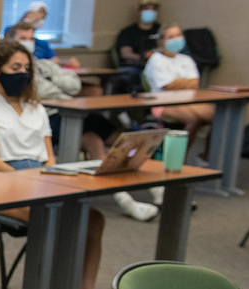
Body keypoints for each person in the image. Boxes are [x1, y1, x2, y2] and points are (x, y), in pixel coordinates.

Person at [0, 40, 111, 289]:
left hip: (38, 180)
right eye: (15, 68)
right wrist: (27, 181)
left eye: (27, 69)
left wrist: (54, 180)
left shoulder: (35, 107)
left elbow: (49, 157)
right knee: (53, 219)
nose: (23, 74)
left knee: (92, 218)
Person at [8, 23, 157, 221]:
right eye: (22, 38)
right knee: (94, 141)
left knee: (121, 138)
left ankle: (157, 189)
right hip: (49, 117)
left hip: (75, 113)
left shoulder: (44, 64)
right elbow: (40, 92)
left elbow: (75, 83)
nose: (28, 42)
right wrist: (60, 86)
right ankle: (125, 200)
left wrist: (56, 82)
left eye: (31, 38)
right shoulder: (13, 70)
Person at [145, 24, 212, 162]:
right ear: (162, 41)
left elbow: (194, 84)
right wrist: (183, 83)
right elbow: (167, 86)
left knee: (218, 115)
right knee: (193, 120)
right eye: (171, 37)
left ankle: (206, 157)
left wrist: (177, 83)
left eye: (178, 35)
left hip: (188, 101)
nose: (176, 39)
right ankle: (176, 160)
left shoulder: (186, 59)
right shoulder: (156, 59)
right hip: (161, 103)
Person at [11, 2, 80, 68]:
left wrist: (67, 62)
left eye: (43, 17)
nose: (40, 19)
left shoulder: (42, 44)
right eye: (37, 16)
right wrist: (28, 20)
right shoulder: (11, 34)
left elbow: (53, 61)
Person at [115, 0, 162, 92]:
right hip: (136, 66)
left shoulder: (160, 30)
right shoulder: (128, 32)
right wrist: (143, 57)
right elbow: (126, 54)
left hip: (159, 64)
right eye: (146, 9)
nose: (150, 12)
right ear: (139, 11)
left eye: (153, 9)